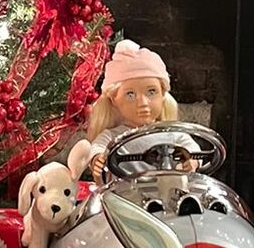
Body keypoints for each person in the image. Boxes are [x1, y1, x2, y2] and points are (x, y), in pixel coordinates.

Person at [68, 40, 180, 184]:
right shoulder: (113, 136)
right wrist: (98, 158)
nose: (143, 103)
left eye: (152, 92)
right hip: (124, 196)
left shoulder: (170, 133)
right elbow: (97, 147)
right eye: (130, 94)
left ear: (163, 94)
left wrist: (191, 160)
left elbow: (190, 147)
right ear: (114, 100)